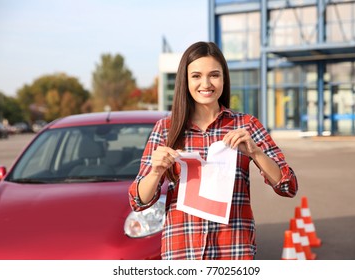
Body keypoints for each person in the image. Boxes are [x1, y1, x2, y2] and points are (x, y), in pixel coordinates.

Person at [128, 41, 298, 260]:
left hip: (233, 252)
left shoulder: (246, 126)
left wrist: (256, 153)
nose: (206, 83)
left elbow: (288, 186)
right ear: (185, 80)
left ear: (224, 79)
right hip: (182, 252)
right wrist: (155, 172)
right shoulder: (165, 130)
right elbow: (138, 201)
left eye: (214, 75)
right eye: (196, 76)